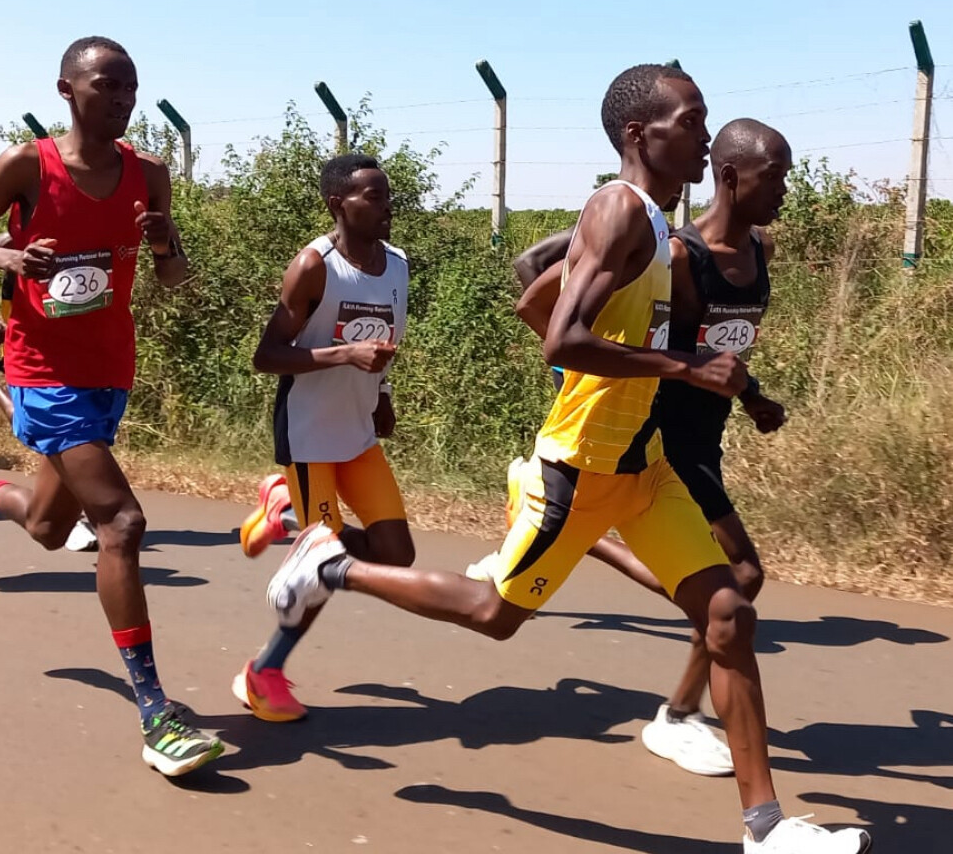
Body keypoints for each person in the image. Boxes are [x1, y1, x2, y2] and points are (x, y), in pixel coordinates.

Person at [264, 65, 870, 854]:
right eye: (690, 121)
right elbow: (562, 337)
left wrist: (709, 384)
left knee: (729, 613)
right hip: (581, 469)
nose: (702, 135)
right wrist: (684, 368)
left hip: (644, 467)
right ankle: (330, 565)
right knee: (494, 616)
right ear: (639, 135)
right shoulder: (618, 210)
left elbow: (545, 301)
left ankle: (766, 829)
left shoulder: (657, 223)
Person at [0, 36, 222, 777]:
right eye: (105, 85)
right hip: (41, 368)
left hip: (109, 367)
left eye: (130, 87)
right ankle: (156, 714)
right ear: (67, 89)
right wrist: (10, 257)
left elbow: (173, 279)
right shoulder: (28, 165)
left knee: (49, 527)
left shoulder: (150, 173)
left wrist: (167, 244)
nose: (121, 99)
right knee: (121, 523)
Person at [504, 120, 793, 779]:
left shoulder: (760, 249)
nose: (783, 189)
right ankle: (679, 715)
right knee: (740, 578)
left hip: (707, 431)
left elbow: (721, 347)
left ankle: (586, 536)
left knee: (722, 586)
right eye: (774, 176)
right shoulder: (677, 251)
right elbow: (538, 296)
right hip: (665, 432)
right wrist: (576, 374)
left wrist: (753, 398)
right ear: (731, 177)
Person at [232, 153, 414, 723]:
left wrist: (382, 395)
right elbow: (266, 356)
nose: (387, 206)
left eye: (387, 195)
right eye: (374, 197)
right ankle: (264, 673)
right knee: (322, 562)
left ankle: (284, 513)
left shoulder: (398, 265)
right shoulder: (314, 266)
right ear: (338, 203)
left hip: (357, 433)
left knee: (396, 554)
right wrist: (344, 355)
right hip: (308, 433)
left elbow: (384, 339)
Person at [0, 233, 99, 552]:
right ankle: (70, 513)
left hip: (70, 342)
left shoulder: (83, 232)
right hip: (26, 341)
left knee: (49, 427)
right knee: (52, 427)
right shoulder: (10, 239)